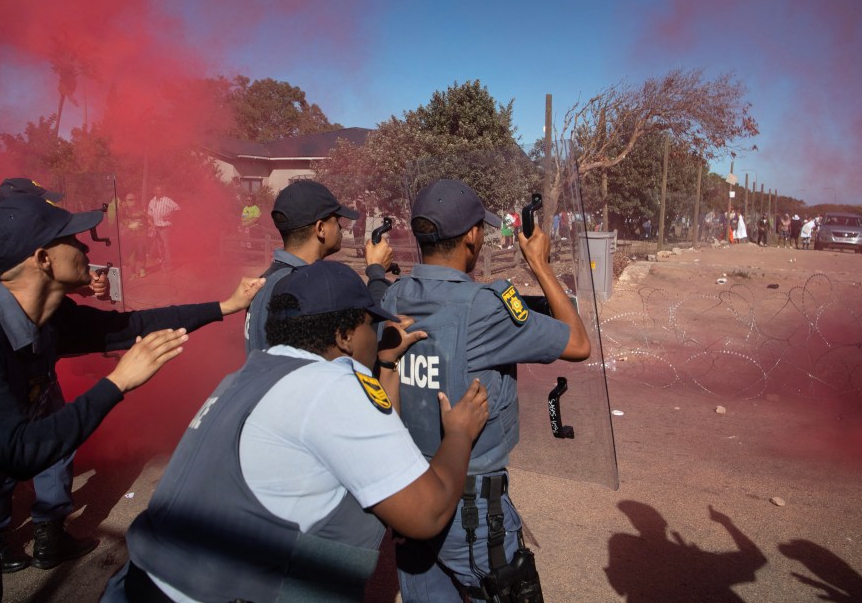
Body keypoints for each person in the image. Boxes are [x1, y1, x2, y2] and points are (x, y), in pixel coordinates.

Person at [0, 195, 264, 602]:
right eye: (73, 239)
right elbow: (19, 450)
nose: (85, 248)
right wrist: (116, 383)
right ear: (44, 259)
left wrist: (226, 305)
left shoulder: (46, 320)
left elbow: (132, 323)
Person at [101, 260, 489, 602]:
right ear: (344, 336)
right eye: (371, 323)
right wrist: (458, 433)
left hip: (139, 585)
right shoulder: (331, 389)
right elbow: (428, 513)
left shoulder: (251, 372)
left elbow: (380, 431)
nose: (378, 334)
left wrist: (385, 364)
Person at [379, 179, 590, 602]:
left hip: (409, 497)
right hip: (473, 511)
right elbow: (577, 343)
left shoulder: (393, 294)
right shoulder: (486, 306)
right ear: (474, 236)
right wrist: (541, 265)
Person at [0, 177, 109, 573]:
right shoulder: (1, 257)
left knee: (53, 444)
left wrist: (84, 287)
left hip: (35, 363)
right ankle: (2, 535)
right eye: (43, 203)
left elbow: (48, 288)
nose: (51, 207)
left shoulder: (1, 247)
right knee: (7, 449)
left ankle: (43, 531)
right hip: (10, 366)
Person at [244, 180, 393, 353]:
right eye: (336, 220)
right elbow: (365, 343)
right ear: (321, 228)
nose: (340, 226)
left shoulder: (266, 279)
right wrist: (376, 270)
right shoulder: (309, 289)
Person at [147, 185, 181, 270]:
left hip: (165, 227)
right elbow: (149, 215)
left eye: (161, 190)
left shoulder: (167, 200)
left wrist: (170, 216)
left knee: (166, 246)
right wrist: (151, 225)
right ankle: (163, 264)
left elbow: (177, 208)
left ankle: (169, 265)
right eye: (157, 191)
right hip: (156, 227)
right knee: (160, 247)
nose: (160, 192)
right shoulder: (152, 201)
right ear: (154, 191)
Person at [120, 192, 148, 278]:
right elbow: (119, 218)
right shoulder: (123, 210)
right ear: (126, 201)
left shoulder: (141, 208)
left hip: (140, 235)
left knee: (141, 253)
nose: (131, 202)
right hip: (129, 236)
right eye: (128, 200)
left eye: (133, 199)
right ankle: (133, 273)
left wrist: (146, 225)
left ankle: (143, 269)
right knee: (131, 255)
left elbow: (147, 218)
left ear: (136, 200)